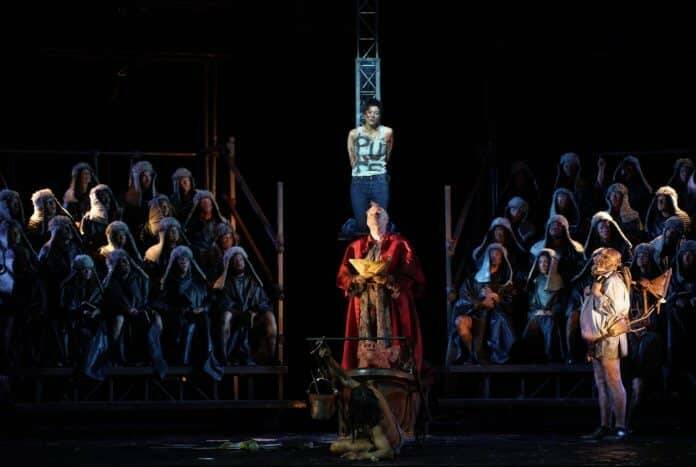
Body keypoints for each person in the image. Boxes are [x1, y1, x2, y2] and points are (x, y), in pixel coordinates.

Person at [337, 203, 424, 371]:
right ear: (366, 221)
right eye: (371, 215)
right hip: (364, 301)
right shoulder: (355, 247)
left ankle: (394, 371)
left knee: (393, 343)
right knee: (364, 342)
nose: (375, 217)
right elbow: (343, 275)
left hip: (390, 303)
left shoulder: (400, 243)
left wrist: (390, 280)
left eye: (379, 214)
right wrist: (355, 279)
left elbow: (411, 272)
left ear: (387, 220)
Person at [316, 343, 403, 461]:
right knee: (343, 441)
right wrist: (328, 358)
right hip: (378, 436)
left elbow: (388, 452)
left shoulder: (373, 416)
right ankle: (367, 444)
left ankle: (371, 447)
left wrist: (360, 456)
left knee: (336, 447)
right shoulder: (365, 390)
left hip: (391, 442)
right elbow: (345, 377)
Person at [580, 248, 630, 440]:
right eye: (597, 258)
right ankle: (604, 425)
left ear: (612, 262)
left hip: (609, 336)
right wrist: (591, 294)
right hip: (596, 337)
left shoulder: (614, 281)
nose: (597, 261)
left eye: (602, 258)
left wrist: (597, 295)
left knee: (614, 381)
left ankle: (620, 426)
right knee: (601, 382)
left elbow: (616, 310)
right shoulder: (600, 280)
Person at [154, 246, 221, 380]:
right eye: (180, 259)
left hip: (196, 316)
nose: (183, 261)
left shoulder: (197, 283)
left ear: (190, 262)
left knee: (202, 321)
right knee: (187, 326)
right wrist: (176, 309)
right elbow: (158, 302)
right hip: (175, 318)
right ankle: (180, 362)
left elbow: (210, 299)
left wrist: (202, 308)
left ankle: (206, 358)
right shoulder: (167, 283)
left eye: (186, 259)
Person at [449, 243, 516, 364]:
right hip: (475, 314)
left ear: (502, 258)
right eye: (492, 253)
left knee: (499, 323)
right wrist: (481, 303)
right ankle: (475, 355)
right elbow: (464, 297)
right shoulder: (474, 278)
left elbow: (510, 302)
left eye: (497, 254)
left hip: (494, 317)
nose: (494, 256)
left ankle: (488, 356)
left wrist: (497, 298)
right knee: (460, 322)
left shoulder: (505, 281)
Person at [343, 99, 394, 236]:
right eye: (369, 112)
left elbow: (387, 154)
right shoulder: (354, 134)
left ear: (380, 115)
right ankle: (351, 226)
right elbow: (352, 160)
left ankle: (385, 237)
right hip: (359, 182)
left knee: (379, 225)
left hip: (379, 181)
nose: (373, 115)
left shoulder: (387, 132)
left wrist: (377, 168)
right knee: (362, 226)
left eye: (376, 113)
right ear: (364, 114)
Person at [522, 249, 565, 363]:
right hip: (537, 314)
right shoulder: (536, 280)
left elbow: (561, 302)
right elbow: (532, 301)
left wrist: (552, 311)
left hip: (551, 316)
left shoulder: (558, 280)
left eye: (546, 262)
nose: (543, 264)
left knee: (550, 325)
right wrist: (536, 311)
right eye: (540, 262)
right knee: (531, 326)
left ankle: (550, 357)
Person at [80, 184, 122, 255]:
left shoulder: (116, 215)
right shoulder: (88, 218)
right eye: (102, 196)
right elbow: (85, 241)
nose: (106, 199)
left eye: (107, 195)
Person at [123, 160, 157, 230]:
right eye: (144, 176)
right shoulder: (129, 198)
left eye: (149, 175)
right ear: (138, 178)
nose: (148, 179)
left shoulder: (154, 196)